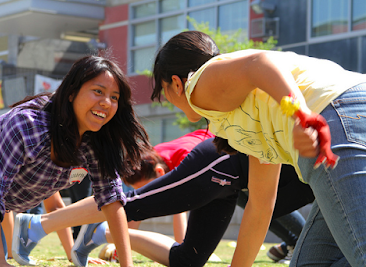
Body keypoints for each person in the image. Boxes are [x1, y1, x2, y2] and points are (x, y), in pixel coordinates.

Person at [150, 30, 366, 267]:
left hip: (340, 115)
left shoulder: (198, 85)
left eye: (163, 91)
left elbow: (260, 62)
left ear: (176, 84)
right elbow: (260, 208)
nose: (167, 99)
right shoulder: (246, 118)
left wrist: (298, 115)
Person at [12, 137, 314, 267]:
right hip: (221, 164)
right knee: (127, 203)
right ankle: (37, 224)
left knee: (188, 261)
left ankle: (97, 233)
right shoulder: (180, 158)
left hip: (233, 183)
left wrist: (116, 236)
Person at [0, 55, 150, 267]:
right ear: (71, 93)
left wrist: (125, 265)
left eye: (114, 97)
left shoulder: (96, 143)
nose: (106, 102)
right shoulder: (28, 128)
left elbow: (111, 200)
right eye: (98, 91)